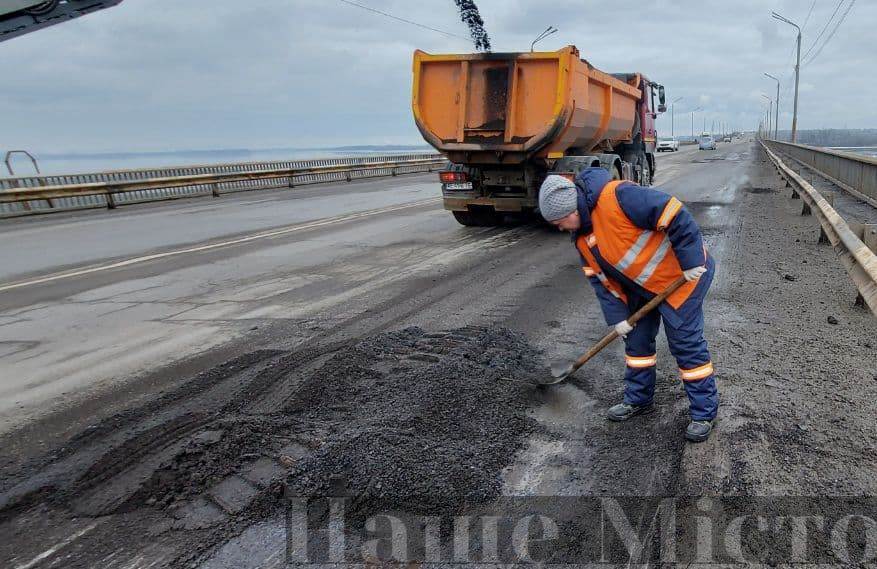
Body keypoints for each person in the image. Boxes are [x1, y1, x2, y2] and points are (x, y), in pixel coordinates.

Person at [538, 167, 718, 442]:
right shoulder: (582, 239)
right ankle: (639, 399)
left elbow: (674, 213)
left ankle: (704, 412)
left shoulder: (618, 197)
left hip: (682, 278)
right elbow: (601, 282)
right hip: (642, 289)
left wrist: (692, 260)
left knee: (685, 343)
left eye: (561, 221)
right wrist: (618, 317)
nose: (561, 228)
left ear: (572, 208)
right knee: (637, 343)